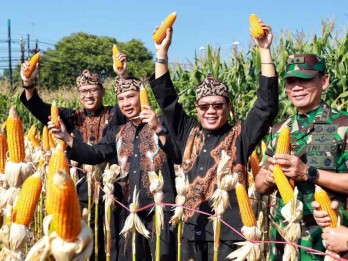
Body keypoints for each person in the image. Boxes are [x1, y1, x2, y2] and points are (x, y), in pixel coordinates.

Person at [149, 21, 278, 260]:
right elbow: (166, 98)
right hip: (191, 229)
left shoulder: (241, 134)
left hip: (229, 234)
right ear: (197, 109)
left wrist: (264, 50)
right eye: (204, 106)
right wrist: (161, 53)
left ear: (228, 107)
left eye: (218, 105)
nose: (211, 111)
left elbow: (266, 107)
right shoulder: (189, 130)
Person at [48, 53, 181, 261]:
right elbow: (95, 153)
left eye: (131, 97)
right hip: (129, 213)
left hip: (160, 213)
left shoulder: (164, 123)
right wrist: (67, 138)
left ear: (141, 96)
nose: (126, 103)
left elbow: (178, 155)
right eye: (121, 99)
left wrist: (158, 128)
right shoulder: (117, 132)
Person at [20, 64, 127, 260]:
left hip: (110, 194)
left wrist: (123, 74)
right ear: (78, 95)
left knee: (109, 246)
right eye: (84, 91)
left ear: (102, 92)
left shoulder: (115, 115)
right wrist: (28, 83)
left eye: (93, 90)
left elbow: (130, 99)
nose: (88, 95)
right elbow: (38, 108)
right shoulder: (71, 117)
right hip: (80, 195)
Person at [254, 53, 348, 260]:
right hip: (284, 240)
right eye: (291, 82)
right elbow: (259, 184)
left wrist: (307, 173)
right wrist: (270, 177)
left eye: (304, 80)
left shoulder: (342, 125)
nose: (296, 87)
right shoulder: (279, 130)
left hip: (327, 242)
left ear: (324, 82)